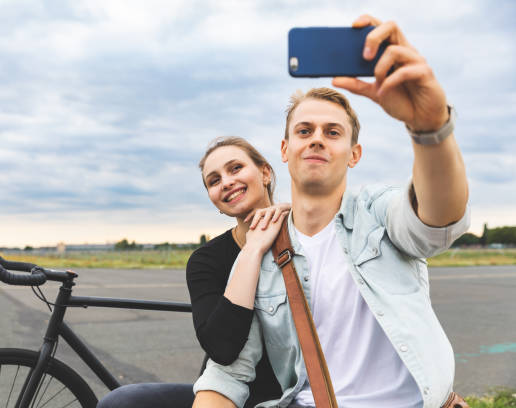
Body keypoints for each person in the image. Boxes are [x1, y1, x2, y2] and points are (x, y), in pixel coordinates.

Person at [193, 14, 470, 408]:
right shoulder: (262, 251)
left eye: (333, 132)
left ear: (354, 154)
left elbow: (438, 221)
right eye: (304, 131)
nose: (317, 139)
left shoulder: (378, 213)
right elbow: (227, 373)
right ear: (285, 150)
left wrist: (430, 128)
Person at [96, 136, 288, 408]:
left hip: (299, 392)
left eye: (235, 168)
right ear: (213, 198)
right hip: (228, 394)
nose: (227, 182)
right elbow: (221, 349)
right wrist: (252, 250)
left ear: (265, 172)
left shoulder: (306, 237)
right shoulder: (206, 260)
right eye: (214, 180)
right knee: (120, 403)